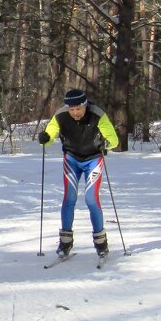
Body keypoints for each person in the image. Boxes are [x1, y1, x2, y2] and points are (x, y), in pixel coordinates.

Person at [37, 88, 119, 257]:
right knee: (69, 198)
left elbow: (114, 140)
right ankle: (65, 242)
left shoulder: (97, 114)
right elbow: (50, 133)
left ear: (85, 105)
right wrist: (45, 138)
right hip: (72, 159)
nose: (75, 113)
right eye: (71, 109)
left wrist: (105, 144)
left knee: (91, 199)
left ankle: (101, 243)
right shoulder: (60, 115)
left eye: (78, 109)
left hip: (93, 159)